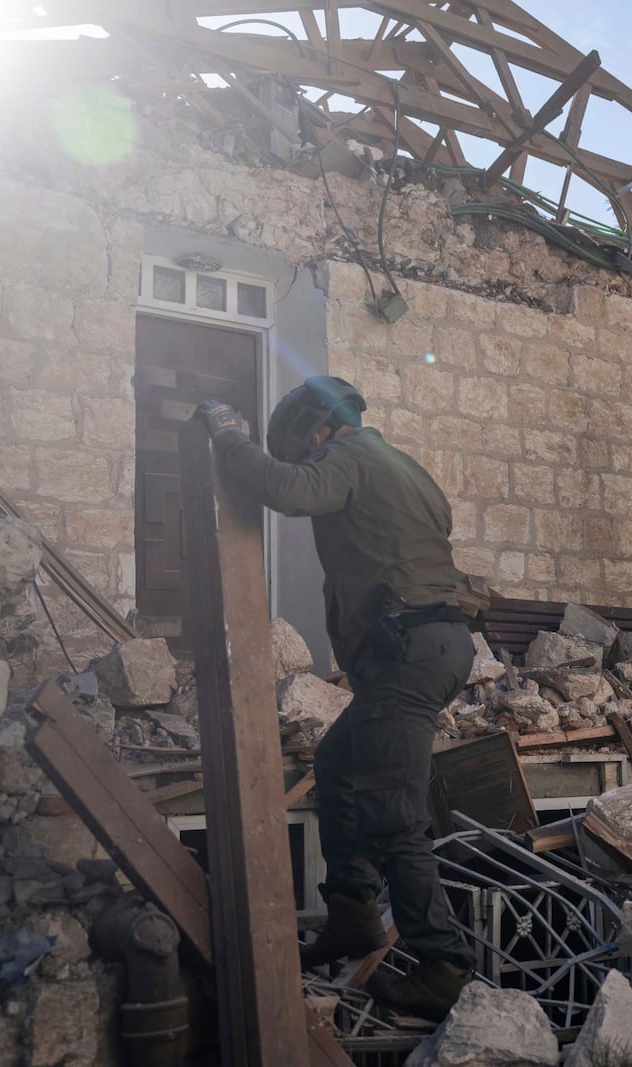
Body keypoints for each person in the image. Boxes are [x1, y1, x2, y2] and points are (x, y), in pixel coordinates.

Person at [194, 376, 475, 1020]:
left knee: (393, 813)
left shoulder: (348, 457)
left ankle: (443, 965)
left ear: (315, 429)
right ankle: (352, 914)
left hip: (408, 651)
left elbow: (286, 490)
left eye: (300, 445)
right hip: (428, 646)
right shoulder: (402, 465)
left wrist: (230, 438)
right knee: (340, 764)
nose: (302, 457)